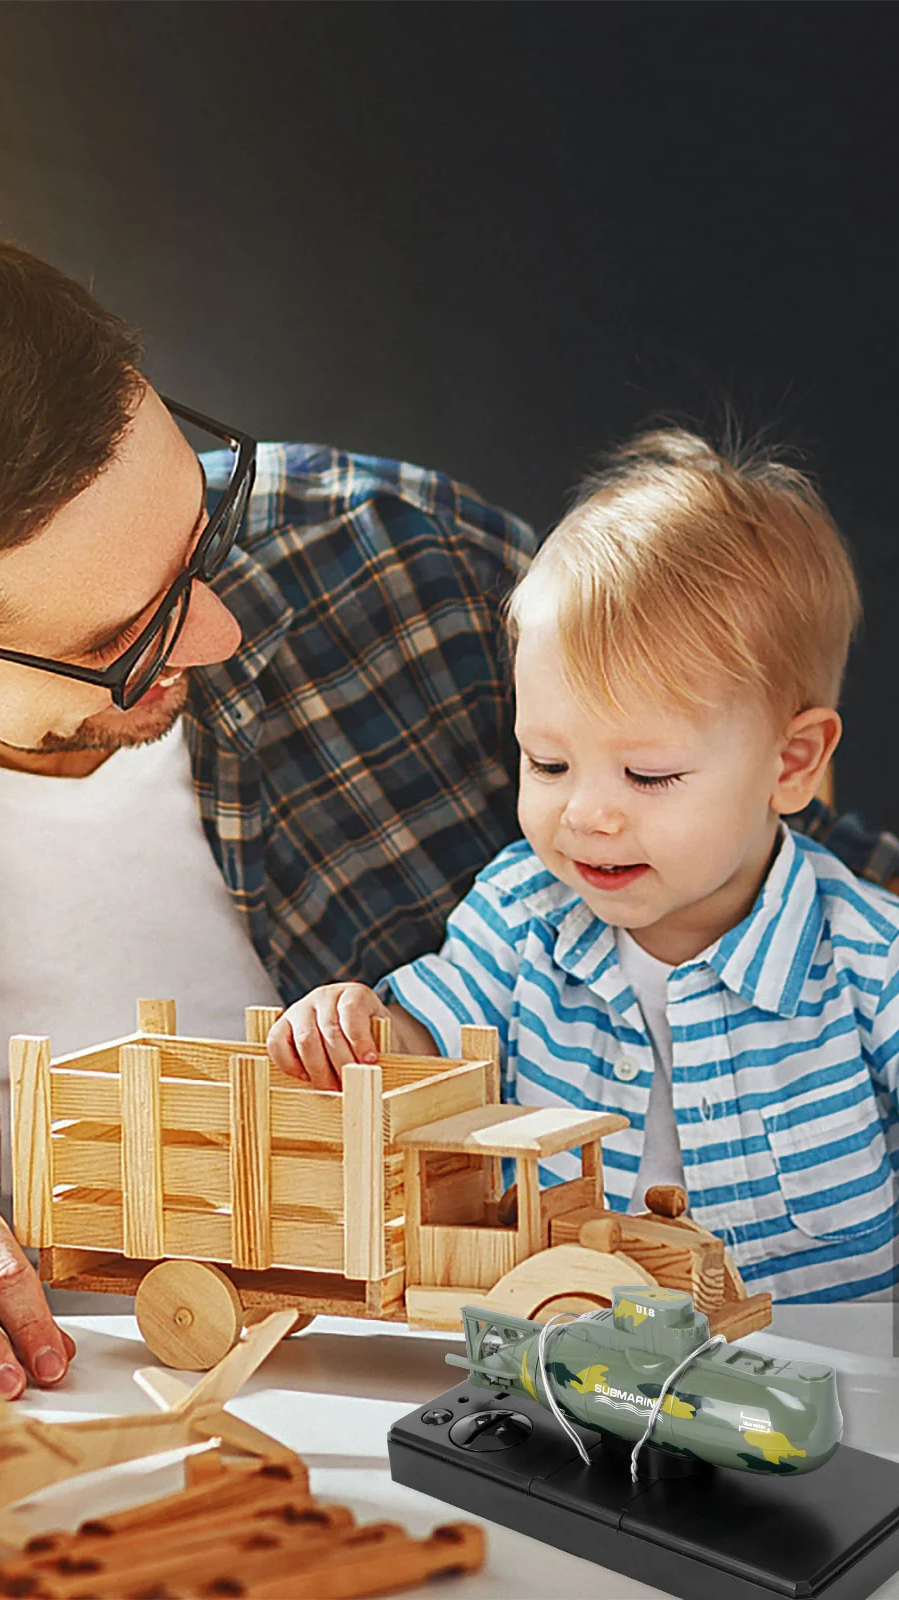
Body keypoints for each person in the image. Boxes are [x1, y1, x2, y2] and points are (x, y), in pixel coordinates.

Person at [0, 214, 898, 1389]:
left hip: (511, 1404)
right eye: (121, 640)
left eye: (200, 528)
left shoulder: (409, 571)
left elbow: (796, 864)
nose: (217, 630)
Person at [269, 429, 899, 1300]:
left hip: (831, 1386)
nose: (585, 814)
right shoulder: (520, 915)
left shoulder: (873, 960)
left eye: (648, 775)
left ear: (790, 766)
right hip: (573, 1357)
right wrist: (362, 1032)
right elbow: (427, 1048)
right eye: (548, 763)